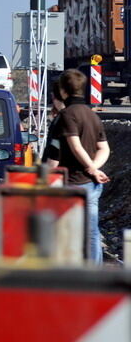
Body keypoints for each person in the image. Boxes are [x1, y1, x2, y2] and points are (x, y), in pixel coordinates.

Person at [45, 69, 110, 264]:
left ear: (63, 90)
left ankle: (70, 273)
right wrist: (95, 169)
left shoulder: (66, 115)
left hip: (71, 181)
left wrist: (91, 168)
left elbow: (73, 145)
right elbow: (104, 148)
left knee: (64, 230)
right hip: (91, 183)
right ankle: (94, 272)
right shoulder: (92, 115)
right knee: (91, 231)